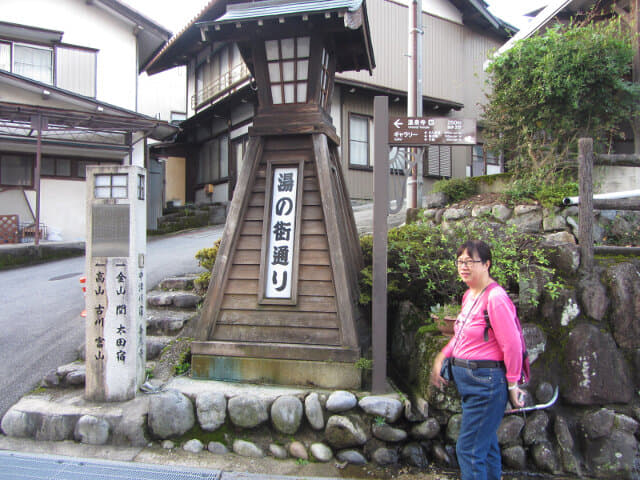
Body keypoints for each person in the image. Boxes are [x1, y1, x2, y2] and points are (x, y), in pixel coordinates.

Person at [430, 239, 525, 480]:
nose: (464, 266)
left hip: (486, 383)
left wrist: (513, 384)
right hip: (472, 382)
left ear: (487, 265)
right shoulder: (469, 295)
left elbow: (512, 344)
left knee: (469, 449)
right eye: (460, 261)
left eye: (470, 261)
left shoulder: (496, 299)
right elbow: (461, 336)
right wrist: (443, 355)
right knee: (487, 446)